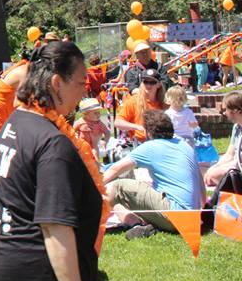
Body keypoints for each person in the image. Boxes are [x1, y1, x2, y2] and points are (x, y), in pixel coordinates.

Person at [0, 42, 105, 281]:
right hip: (38, 276)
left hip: (5, 267)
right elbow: (55, 228)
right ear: (57, 83)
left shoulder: (16, 121)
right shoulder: (52, 144)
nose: (84, 92)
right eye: (81, 83)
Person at [103, 110, 204, 240]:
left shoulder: (150, 146)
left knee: (117, 187)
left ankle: (85, 221)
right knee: (122, 197)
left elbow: (115, 169)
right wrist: (202, 209)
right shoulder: (185, 145)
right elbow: (199, 180)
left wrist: (93, 185)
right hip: (192, 218)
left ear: (148, 132)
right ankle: (136, 225)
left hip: (175, 217)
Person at [0, 61, 29, 141]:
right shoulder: (25, 72)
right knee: (8, 147)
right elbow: (19, 103)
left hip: (2, 113)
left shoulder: (25, 69)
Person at [114, 69, 166, 143]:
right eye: (145, 82)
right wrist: (138, 127)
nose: (148, 85)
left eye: (152, 82)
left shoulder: (164, 103)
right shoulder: (133, 101)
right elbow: (118, 122)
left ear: (158, 85)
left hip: (161, 142)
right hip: (140, 143)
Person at [203, 91, 242, 187]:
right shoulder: (237, 127)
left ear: (235, 111)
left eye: (225, 109)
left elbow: (238, 163)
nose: (224, 113)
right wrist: (214, 167)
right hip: (235, 165)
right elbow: (229, 154)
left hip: (239, 168)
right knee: (205, 171)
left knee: (211, 176)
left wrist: (215, 172)